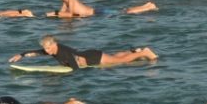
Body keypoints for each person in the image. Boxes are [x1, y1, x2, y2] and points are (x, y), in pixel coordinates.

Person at [10, 34, 157, 70]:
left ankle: (145, 53)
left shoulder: (61, 52)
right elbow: (37, 52)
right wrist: (22, 55)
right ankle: (136, 50)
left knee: (120, 62)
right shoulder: (52, 50)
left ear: (53, 44)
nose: (46, 51)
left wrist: (75, 72)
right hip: (90, 53)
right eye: (46, 48)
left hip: (93, 58)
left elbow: (75, 65)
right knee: (114, 57)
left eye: (48, 48)